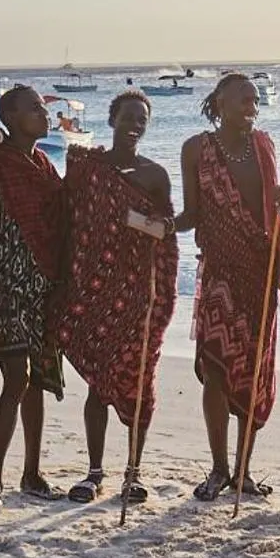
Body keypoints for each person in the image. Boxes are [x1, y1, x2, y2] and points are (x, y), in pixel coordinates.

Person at [176, 72, 280, 500]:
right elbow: (191, 214)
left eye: (255, 100)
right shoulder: (196, 148)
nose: (251, 105)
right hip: (219, 272)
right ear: (221, 100)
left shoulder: (263, 144)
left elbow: (269, 201)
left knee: (252, 372)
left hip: (259, 273)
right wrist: (157, 224)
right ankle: (218, 469)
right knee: (215, 369)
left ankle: (243, 471)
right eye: (243, 98)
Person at [60, 90, 179, 505]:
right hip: (95, 288)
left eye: (141, 119)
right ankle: (94, 473)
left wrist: (142, 224)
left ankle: (134, 471)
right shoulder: (88, 166)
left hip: (139, 291)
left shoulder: (155, 175)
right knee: (98, 382)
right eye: (127, 116)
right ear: (111, 120)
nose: (134, 124)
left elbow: (167, 233)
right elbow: (69, 217)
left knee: (139, 381)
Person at [0, 85, 67, 515]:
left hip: (40, 286)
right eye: (32, 108)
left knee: (37, 382)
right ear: (9, 117)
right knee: (16, 378)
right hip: (3, 285)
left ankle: (31, 474)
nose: (43, 114)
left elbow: (58, 217)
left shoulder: (43, 163)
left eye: (42, 108)